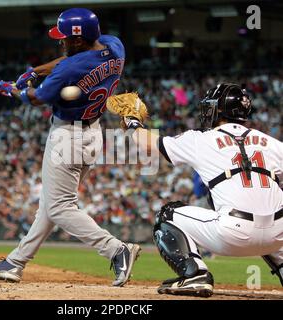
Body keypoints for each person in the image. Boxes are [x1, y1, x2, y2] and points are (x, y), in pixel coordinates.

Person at [0, 8, 141, 287]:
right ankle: (16, 262)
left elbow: (38, 97)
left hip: (68, 137)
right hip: (92, 133)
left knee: (59, 207)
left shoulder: (69, 68)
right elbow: (70, 61)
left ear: (77, 40)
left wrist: (13, 91)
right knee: (50, 204)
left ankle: (116, 249)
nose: (60, 41)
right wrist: (34, 71)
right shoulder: (115, 46)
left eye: (63, 38)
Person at [110, 83, 283, 296]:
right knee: (273, 215)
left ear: (218, 110)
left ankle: (195, 274)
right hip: (277, 236)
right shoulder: (271, 143)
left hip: (234, 235)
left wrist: (132, 122)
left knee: (167, 215)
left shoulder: (200, 139)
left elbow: (148, 144)